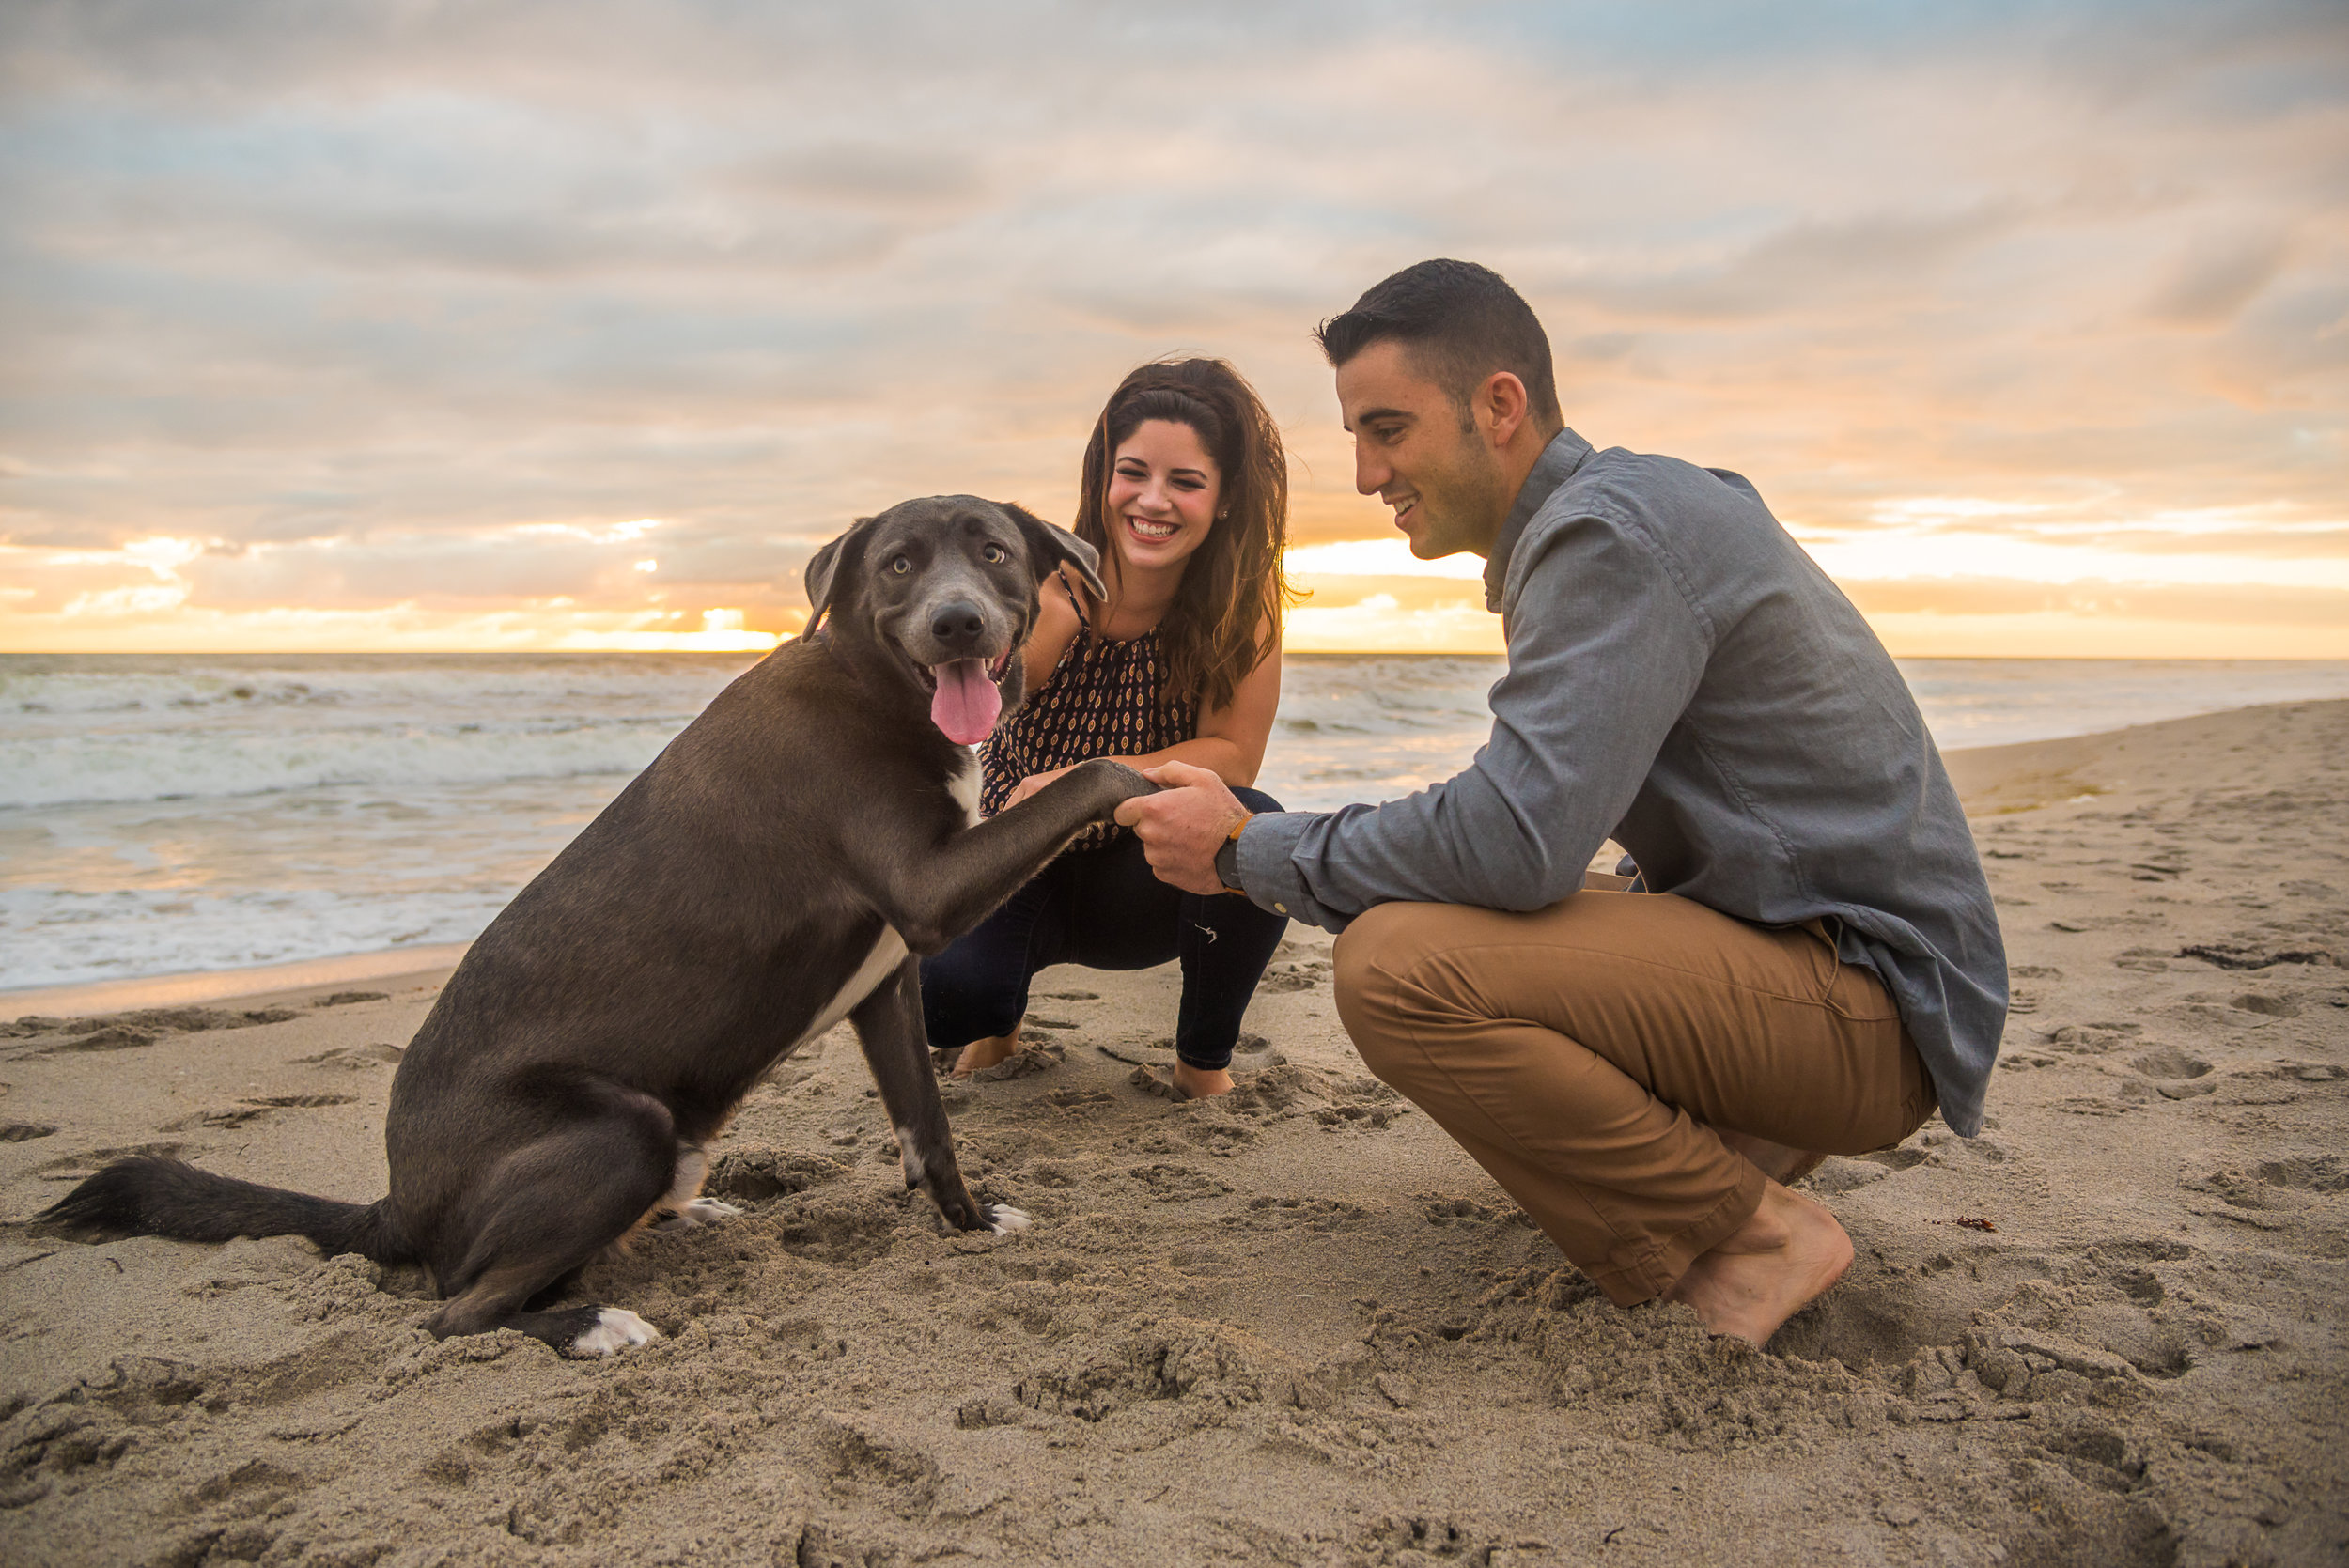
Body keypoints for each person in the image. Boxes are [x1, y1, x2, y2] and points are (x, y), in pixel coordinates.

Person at [1118, 261, 2007, 1344]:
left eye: (1388, 429)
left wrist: (1245, 847)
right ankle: (1736, 1160)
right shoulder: (1622, 513)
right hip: (1845, 967)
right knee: (1473, 916)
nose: (1363, 474)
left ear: (1498, 405)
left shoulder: (1606, 538)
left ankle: (1757, 1236)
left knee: (1399, 965)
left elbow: (1511, 844)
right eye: (1356, 435)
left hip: (1872, 1007)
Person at [922, 358, 1298, 1100]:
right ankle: (999, 1020)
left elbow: (1234, 755)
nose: (1152, 501)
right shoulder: (1052, 584)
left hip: (1148, 873)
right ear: (1105, 479)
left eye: (1185, 481)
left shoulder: (1241, 609)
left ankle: (1201, 1064)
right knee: (948, 1002)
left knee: (1254, 828)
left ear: (1222, 500)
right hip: (1021, 855)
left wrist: (1088, 783)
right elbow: (1001, 674)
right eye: (1134, 473)